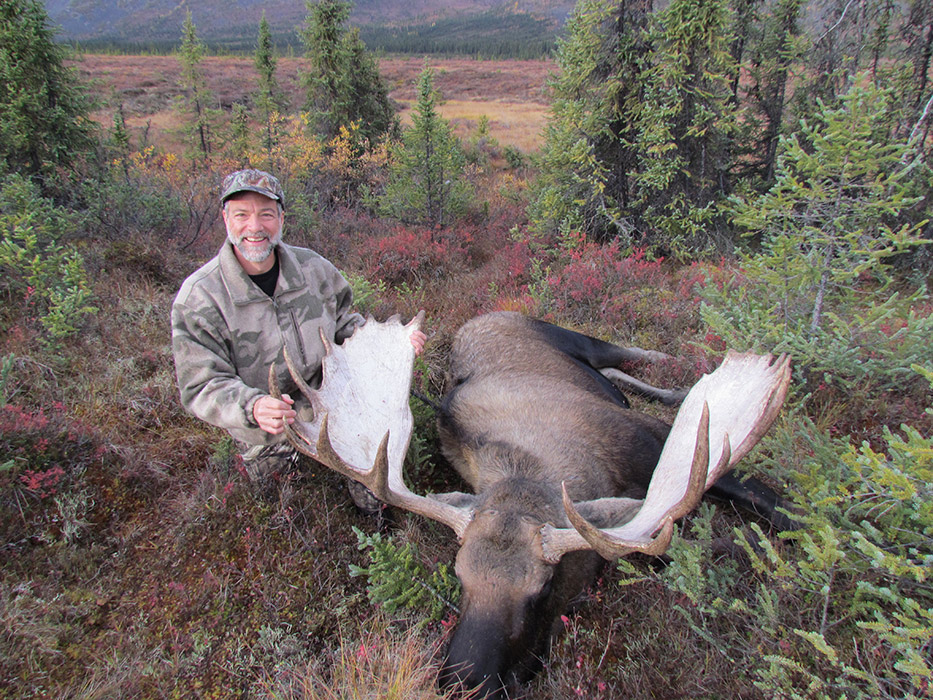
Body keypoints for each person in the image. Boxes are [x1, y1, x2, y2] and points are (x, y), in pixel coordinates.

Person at [171, 168, 426, 508]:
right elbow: (201, 385)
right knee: (278, 500)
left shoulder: (314, 269)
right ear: (225, 218)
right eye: (242, 215)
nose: (255, 227)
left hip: (334, 404)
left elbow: (345, 324)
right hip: (268, 425)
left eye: (266, 214)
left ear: (281, 218)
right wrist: (253, 407)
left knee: (378, 491)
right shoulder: (200, 299)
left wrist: (393, 346)